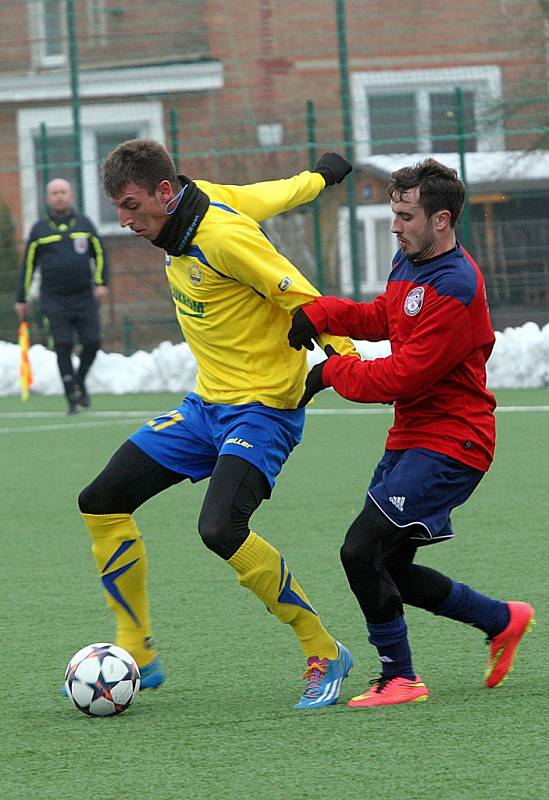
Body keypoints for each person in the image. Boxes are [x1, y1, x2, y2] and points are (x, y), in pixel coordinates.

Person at [76, 138, 358, 709]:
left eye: (131, 206)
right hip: (206, 407)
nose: (124, 221)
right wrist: (320, 179)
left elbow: (305, 297)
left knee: (220, 528)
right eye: (117, 209)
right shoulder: (194, 208)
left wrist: (346, 362)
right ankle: (139, 648)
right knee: (101, 500)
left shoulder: (224, 237)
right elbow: (271, 194)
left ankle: (324, 648)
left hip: (263, 410)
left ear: (164, 191)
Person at [288, 158, 535, 709]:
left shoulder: (456, 285)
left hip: (455, 441)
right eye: (394, 214)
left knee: (359, 550)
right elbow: (385, 318)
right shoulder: (410, 261)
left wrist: (331, 372)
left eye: (404, 215)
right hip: (413, 436)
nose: (395, 226)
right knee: (388, 564)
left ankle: (399, 677)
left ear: (441, 219)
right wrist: (323, 313)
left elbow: (405, 374)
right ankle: (502, 619)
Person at [15, 178, 109, 414]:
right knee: (63, 343)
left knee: (92, 342)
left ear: (71, 195)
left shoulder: (84, 224)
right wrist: (21, 298)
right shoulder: (39, 230)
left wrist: (100, 282)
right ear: (48, 198)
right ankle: (71, 397)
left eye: (63, 192)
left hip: (84, 296)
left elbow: (100, 254)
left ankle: (79, 380)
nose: (59, 196)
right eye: (54, 193)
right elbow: (27, 266)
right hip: (54, 298)